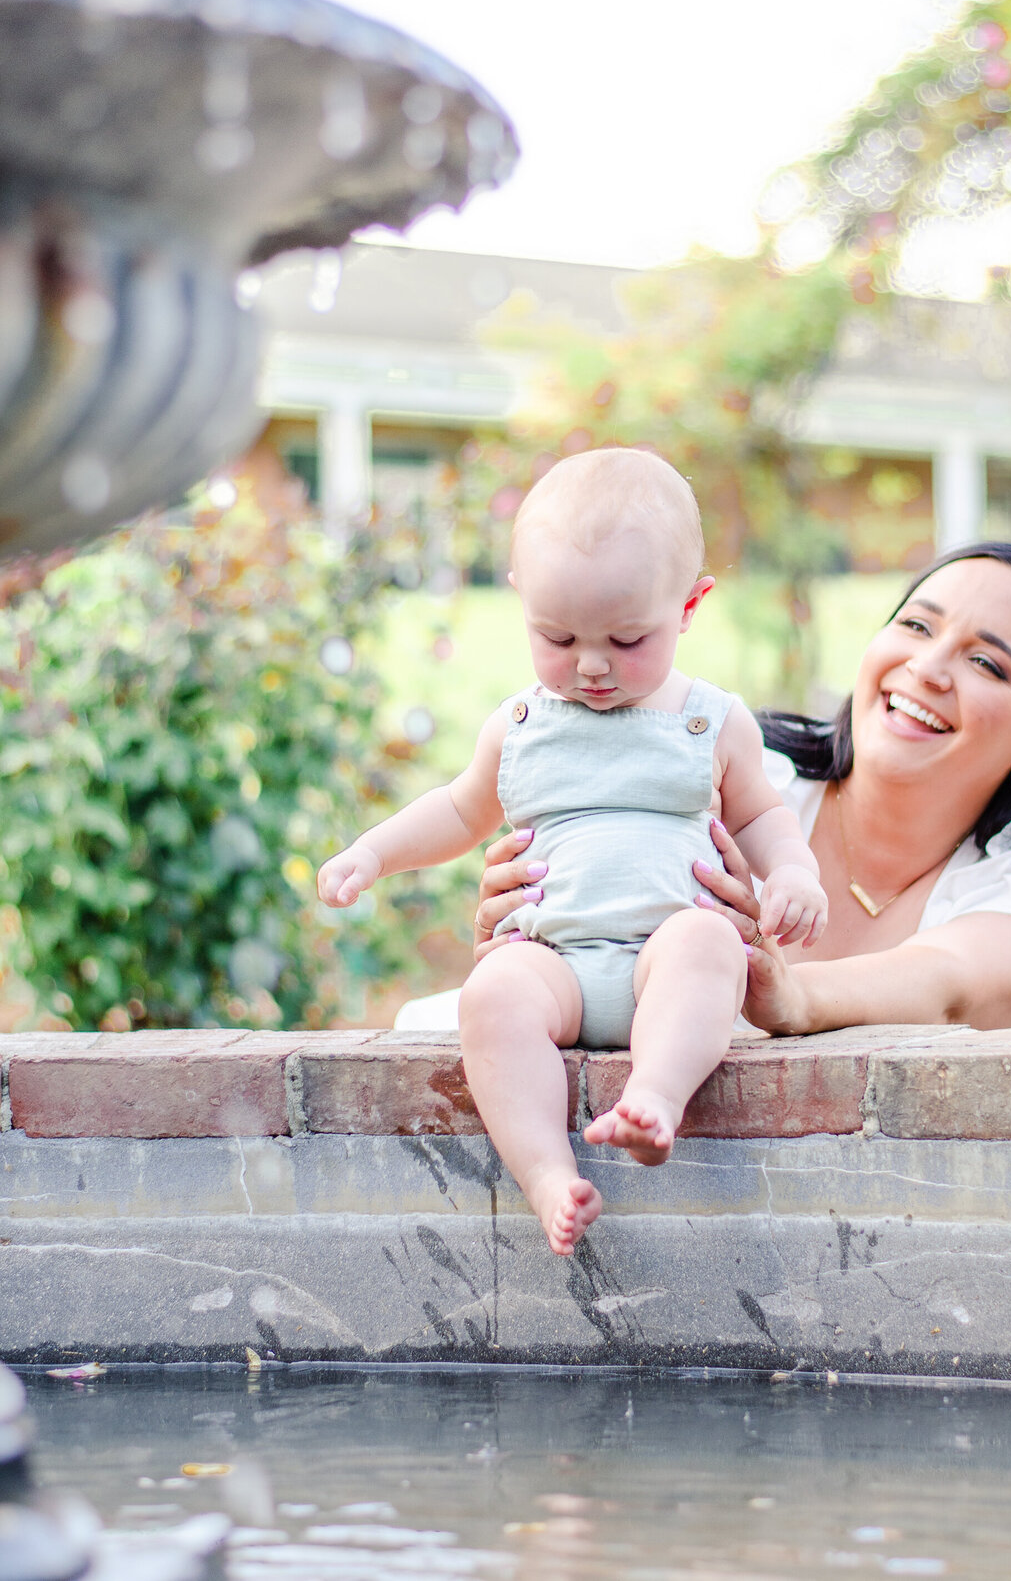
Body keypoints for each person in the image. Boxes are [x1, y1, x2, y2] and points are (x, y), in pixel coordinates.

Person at [320, 449, 827, 1255]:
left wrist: (794, 872)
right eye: (557, 637)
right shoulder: (520, 724)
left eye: (628, 639)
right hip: (552, 963)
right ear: (523, 601)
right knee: (489, 996)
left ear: (690, 606)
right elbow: (457, 809)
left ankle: (655, 1099)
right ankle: (548, 1173)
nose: (591, 666)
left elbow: (763, 814)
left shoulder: (709, 720)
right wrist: (374, 853)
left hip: (660, 959)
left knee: (708, 942)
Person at [442, 542, 1011, 1037]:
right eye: (916, 625)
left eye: (986, 662)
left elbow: (950, 987)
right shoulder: (738, 777)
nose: (928, 667)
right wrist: (527, 924)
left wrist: (795, 996)